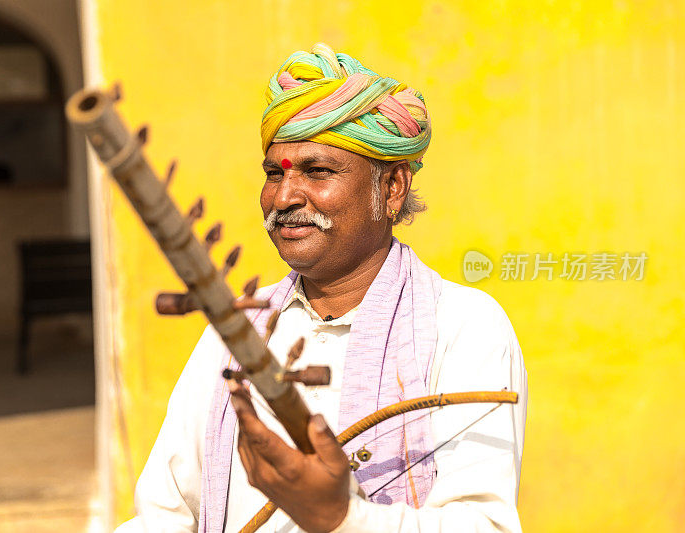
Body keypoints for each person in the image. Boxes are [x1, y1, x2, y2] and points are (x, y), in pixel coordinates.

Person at [117, 43, 527, 533]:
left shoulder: (463, 326)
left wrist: (340, 518)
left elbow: (483, 525)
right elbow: (165, 514)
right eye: (274, 174)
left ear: (391, 188)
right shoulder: (238, 327)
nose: (285, 197)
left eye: (318, 171)